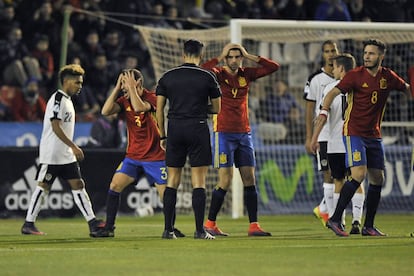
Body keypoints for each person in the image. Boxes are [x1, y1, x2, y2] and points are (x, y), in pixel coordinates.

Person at [317, 39, 411, 237]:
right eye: (366, 53)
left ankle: (368, 226)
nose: (367, 56)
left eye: (371, 53)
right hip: (354, 132)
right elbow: (333, 92)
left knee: (378, 178)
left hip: (374, 135)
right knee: (358, 174)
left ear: (381, 56)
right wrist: (324, 111)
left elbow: (406, 88)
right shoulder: (355, 75)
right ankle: (335, 219)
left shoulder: (387, 76)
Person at [90, 69, 184, 238]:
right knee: (115, 185)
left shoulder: (153, 98)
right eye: (123, 86)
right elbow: (105, 111)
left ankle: (170, 228)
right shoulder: (124, 100)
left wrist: (132, 88)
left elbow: (139, 107)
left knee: (165, 194)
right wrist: (117, 87)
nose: (124, 90)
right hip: (133, 156)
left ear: (138, 84)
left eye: (126, 85)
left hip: (156, 156)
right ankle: (109, 227)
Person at [201, 42, 279, 236]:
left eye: (237, 57)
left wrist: (249, 54)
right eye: (231, 57)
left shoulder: (247, 74)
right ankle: (210, 224)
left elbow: (273, 67)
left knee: (249, 178)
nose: (234, 60)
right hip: (223, 134)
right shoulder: (218, 74)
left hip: (244, 133)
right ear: (226, 59)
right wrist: (220, 56)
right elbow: (202, 70)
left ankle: (254, 225)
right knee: (225, 180)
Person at [21, 64, 104, 236]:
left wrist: (69, 148)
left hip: (65, 154)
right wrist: (73, 146)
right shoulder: (57, 99)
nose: (80, 86)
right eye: (77, 82)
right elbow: (55, 125)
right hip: (52, 153)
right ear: (66, 81)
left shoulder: (67, 100)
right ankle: (28, 224)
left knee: (78, 185)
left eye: (81, 83)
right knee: (43, 187)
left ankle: (92, 223)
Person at [156, 39, 221, 240]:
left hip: (175, 128)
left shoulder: (168, 76)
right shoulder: (207, 76)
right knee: (198, 182)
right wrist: (200, 109)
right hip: (198, 128)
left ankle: (168, 230)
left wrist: (163, 135)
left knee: (173, 180)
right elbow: (217, 108)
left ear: (183, 54)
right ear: (201, 56)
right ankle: (200, 231)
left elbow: (159, 109)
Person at [310, 53, 365, 234]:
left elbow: (322, 117)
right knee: (357, 180)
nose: (332, 70)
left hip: (335, 142)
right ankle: (357, 220)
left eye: (334, 67)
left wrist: (315, 137)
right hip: (356, 140)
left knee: (338, 181)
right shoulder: (360, 88)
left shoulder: (331, 88)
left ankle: (338, 220)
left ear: (341, 68)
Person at [304, 40, 339, 227]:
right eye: (327, 51)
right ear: (322, 55)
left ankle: (325, 209)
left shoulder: (346, 76)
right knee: (328, 174)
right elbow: (309, 109)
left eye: (333, 50)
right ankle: (331, 216)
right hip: (324, 134)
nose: (331, 54)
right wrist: (309, 136)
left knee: (341, 175)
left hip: (341, 134)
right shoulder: (315, 79)